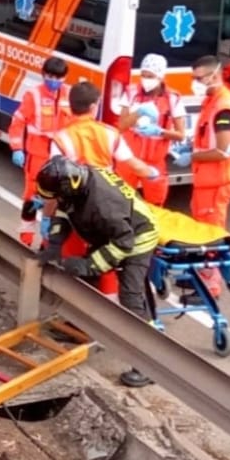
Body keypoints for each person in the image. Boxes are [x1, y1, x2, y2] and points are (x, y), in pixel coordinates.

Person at [34, 157, 160, 389]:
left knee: (130, 297)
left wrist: (90, 264)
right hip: (109, 232)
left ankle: (148, 364)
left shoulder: (103, 205)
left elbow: (124, 242)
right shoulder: (77, 183)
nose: (52, 200)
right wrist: (54, 244)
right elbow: (63, 211)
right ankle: (80, 327)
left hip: (136, 236)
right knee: (85, 282)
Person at [7, 56, 72, 247]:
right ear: (43, 74)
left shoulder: (69, 95)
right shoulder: (33, 95)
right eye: (50, 76)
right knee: (31, 196)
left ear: (64, 77)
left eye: (58, 77)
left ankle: (46, 240)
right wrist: (17, 148)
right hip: (37, 155)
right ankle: (26, 236)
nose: (54, 80)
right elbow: (18, 122)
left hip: (60, 157)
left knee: (52, 199)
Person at [113, 54, 189, 207]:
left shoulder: (172, 99)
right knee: (120, 204)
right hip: (129, 159)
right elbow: (121, 126)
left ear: (160, 76)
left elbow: (181, 135)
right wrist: (138, 113)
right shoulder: (131, 92)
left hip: (155, 162)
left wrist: (159, 132)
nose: (145, 79)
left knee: (155, 205)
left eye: (150, 76)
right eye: (143, 74)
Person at [187, 54, 230, 227]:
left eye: (198, 79)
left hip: (218, 179)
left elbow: (222, 152)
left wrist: (192, 156)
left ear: (213, 76)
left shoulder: (223, 109)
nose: (195, 83)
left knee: (211, 232)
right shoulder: (212, 101)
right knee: (202, 225)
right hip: (209, 178)